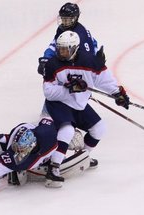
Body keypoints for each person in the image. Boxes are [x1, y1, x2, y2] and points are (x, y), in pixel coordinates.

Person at [42, 30, 130, 188]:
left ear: (75, 48)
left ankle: (81, 157)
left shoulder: (90, 61)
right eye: (59, 48)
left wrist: (118, 93)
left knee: (99, 128)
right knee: (67, 131)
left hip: (79, 104)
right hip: (59, 103)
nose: (61, 52)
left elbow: (103, 79)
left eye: (65, 49)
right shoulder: (52, 64)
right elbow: (48, 92)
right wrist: (69, 89)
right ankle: (53, 168)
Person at [37, 2, 104, 76]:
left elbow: (88, 55)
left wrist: (80, 73)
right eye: (63, 19)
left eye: (67, 20)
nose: (64, 22)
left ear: (75, 18)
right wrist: (46, 59)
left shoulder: (80, 34)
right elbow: (54, 45)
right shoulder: (61, 29)